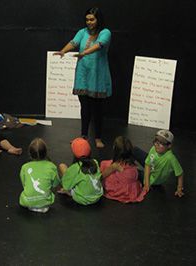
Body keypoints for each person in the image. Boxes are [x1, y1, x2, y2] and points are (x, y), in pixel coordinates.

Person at [54, 7, 112, 148]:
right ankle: (83, 136)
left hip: (97, 75)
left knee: (97, 109)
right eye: (87, 19)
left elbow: (99, 45)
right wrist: (63, 51)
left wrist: (84, 53)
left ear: (98, 19)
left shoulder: (105, 32)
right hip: (83, 74)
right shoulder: (82, 32)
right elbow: (74, 42)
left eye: (92, 19)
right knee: (84, 107)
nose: (89, 22)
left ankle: (98, 137)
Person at [133, 130, 184, 197]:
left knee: (132, 171)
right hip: (152, 166)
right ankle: (126, 161)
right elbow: (147, 165)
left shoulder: (171, 158)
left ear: (169, 146)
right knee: (134, 149)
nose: (157, 145)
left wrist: (179, 188)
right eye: (156, 142)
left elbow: (180, 174)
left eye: (161, 143)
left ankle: (125, 167)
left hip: (153, 180)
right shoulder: (154, 148)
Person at [58, 137, 103, 205]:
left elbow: (66, 186)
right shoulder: (95, 162)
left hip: (83, 199)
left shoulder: (75, 168)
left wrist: (66, 188)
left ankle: (70, 192)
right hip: (97, 196)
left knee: (62, 166)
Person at [19, 138, 59, 213]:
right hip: (46, 204)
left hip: (28, 202)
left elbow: (24, 184)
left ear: (30, 154)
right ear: (46, 153)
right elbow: (55, 184)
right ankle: (42, 201)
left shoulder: (25, 167)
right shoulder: (52, 166)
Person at [100, 136, 145, 203]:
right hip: (131, 191)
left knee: (104, 164)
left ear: (115, 149)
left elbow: (101, 176)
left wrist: (112, 167)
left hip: (118, 190)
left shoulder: (113, 165)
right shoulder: (133, 168)